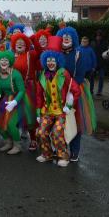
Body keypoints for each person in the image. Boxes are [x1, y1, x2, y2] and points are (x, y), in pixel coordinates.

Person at [36, 36, 80, 167]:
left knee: (57, 132)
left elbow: (76, 90)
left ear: (57, 61)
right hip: (48, 110)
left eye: (53, 60)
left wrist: (69, 105)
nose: (50, 63)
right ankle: (47, 154)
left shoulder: (64, 73)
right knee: (41, 132)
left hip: (61, 112)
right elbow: (39, 95)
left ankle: (63, 156)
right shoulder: (43, 75)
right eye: (48, 60)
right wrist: (38, 112)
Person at [56, 26, 97, 162]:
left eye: (69, 36)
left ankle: (75, 151)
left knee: (75, 122)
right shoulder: (56, 53)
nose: (66, 38)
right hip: (59, 91)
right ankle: (62, 148)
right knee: (59, 122)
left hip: (75, 91)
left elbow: (80, 75)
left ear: (73, 38)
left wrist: (71, 92)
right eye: (64, 36)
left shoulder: (79, 53)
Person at [0, 50, 31, 155]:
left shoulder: (15, 74)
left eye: (6, 60)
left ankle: (17, 145)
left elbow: (22, 90)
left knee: (10, 124)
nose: (4, 62)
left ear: (9, 61)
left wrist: (14, 102)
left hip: (18, 100)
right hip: (5, 100)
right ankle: (8, 142)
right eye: (2, 60)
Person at [10, 32, 39, 151]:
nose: (20, 44)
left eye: (22, 42)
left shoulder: (30, 55)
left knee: (29, 114)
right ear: (14, 44)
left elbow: (40, 51)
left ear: (26, 45)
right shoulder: (11, 56)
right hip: (15, 88)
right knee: (14, 114)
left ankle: (33, 139)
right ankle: (15, 140)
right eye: (18, 42)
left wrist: (33, 39)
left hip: (28, 88)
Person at [93, 30, 109, 96]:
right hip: (94, 63)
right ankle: (91, 90)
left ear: (101, 36)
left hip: (102, 63)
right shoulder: (93, 43)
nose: (98, 37)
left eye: (99, 36)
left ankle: (99, 91)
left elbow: (106, 53)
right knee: (91, 78)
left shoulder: (105, 43)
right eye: (97, 36)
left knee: (101, 77)